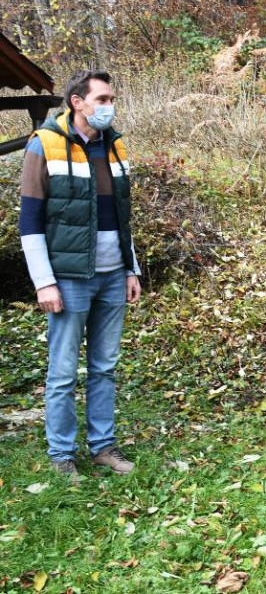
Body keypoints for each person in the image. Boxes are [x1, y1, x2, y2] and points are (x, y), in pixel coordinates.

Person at [19, 70, 141, 482]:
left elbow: (122, 217)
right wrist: (44, 282)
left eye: (111, 99)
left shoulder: (116, 144)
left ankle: (103, 446)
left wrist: (131, 269)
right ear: (77, 101)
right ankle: (61, 454)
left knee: (104, 367)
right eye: (102, 99)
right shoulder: (45, 144)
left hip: (112, 276)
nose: (109, 106)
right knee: (63, 371)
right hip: (69, 278)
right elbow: (31, 221)